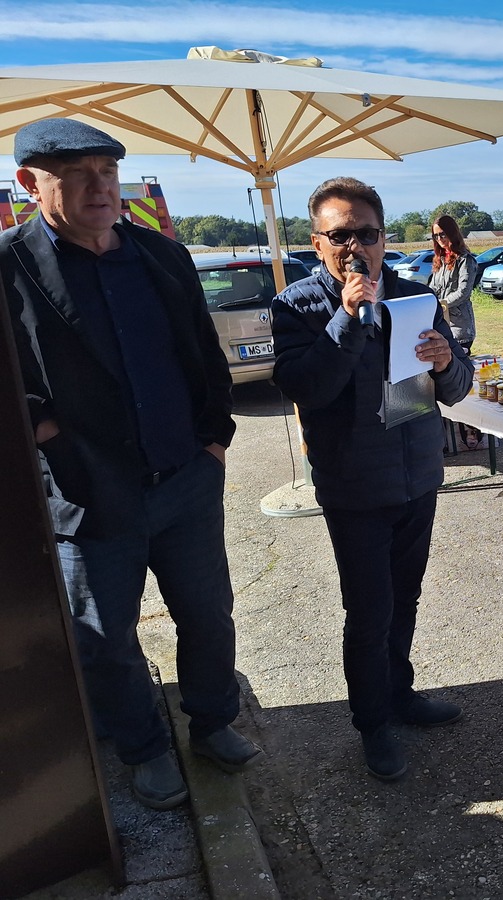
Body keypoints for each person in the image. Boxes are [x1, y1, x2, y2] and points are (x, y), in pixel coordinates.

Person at [0, 118, 261, 811]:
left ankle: (213, 722)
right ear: (29, 184)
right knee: (105, 637)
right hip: (89, 494)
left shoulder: (161, 255)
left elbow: (202, 354)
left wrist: (214, 442)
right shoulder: (9, 265)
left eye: (108, 172)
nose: (100, 187)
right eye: (77, 175)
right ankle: (144, 748)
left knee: (208, 615)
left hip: (185, 480)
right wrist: (50, 437)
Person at [271, 177, 473, 781]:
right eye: (339, 235)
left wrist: (447, 363)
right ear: (317, 242)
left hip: (417, 475)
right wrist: (348, 317)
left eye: (366, 233)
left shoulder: (416, 296)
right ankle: (372, 723)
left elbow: (456, 389)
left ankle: (399, 693)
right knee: (369, 609)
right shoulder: (298, 306)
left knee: (405, 597)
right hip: (354, 485)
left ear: (384, 239)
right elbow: (305, 387)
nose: (354, 246)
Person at [429, 214, 482, 449]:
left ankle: (470, 434)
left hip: (460, 329)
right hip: (441, 326)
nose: (440, 239)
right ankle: (452, 437)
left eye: (443, 234)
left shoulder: (466, 260)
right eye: (435, 235)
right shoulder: (439, 261)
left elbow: (463, 292)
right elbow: (431, 289)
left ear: (452, 233)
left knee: (460, 380)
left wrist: (440, 304)